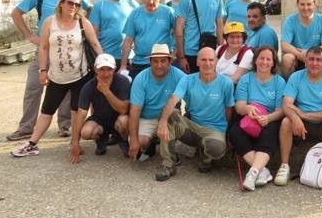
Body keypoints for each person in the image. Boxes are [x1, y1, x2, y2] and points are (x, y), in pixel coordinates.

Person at [6, 0, 91, 141]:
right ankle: (26, 127)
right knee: (33, 87)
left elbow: (90, 9)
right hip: (45, 47)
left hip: (68, 50)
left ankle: (65, 126)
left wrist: (82, 32)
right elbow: (16, 13)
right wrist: (29, 36)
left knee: (68, 88)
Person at [11, 0, 102, 157]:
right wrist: (42, 70)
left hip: (79, 76)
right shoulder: (49, 22)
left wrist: (102, 64)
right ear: (61, 3)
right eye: (70, 3)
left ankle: (74, 142)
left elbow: (95, 44)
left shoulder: (82, 22)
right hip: (56, 77)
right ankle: (32, 143)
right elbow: (44, 47)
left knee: (76, 111)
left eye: (76, 4)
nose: (73, 7)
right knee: (47, 111)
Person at [273, 47, 322, 187]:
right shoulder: (296, 77)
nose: (315, 63)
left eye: (319, 60)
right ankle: (284, 166)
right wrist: (296, 118)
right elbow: (286, 104)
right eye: (311, 59)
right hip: (300, 124)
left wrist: (304, 114)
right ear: (305, 61)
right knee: (286, 122)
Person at [157, 47, 234, 173]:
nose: (207, 64)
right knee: (168, 114)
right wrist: (162, 121)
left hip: (214, 130)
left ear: (216, 61)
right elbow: (173, 99)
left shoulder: (226, 83)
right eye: (203, 60)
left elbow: (228, 110)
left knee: (216, 148)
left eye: (211, 60)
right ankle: (168, 164)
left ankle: (205, 159)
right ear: (197, 62)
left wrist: (227, 134)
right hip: (192, 127)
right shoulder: (187, 79)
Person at [228, 46, 286, 191]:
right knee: (235, 132)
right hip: (250, 118)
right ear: (255, 60)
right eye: (261, 58)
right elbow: (239, 106)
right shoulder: (246, 79)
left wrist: (268, 118)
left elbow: (281, 110)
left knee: (269, 132)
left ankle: (252, 174)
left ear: (273, 63)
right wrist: (248, 109)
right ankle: (262, 170)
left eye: (268, 59)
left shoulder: (279, 82)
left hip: (269, 118)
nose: (264, 62)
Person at [127, 44, 187, 181]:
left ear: (170, 61)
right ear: (150, 62)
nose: (159, 65)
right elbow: (134, 112)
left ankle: (170, 156)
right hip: (147, 118)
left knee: (174, 113)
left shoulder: (179, 75)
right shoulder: (141, 78)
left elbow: (193, 92)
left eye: (163, 61)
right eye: (155, 61)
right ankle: (151, 145)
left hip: (167, 118)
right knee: (140, 142)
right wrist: (134, 141)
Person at [69, 53, 130, 163]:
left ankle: (122, 139)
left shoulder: (122, 82)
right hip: (100, 119)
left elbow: (124, 110)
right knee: (86, 132)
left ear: (115, 69)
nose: (106, 74)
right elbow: (81, 115)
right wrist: (75, 143)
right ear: (95, 70)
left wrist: (107, 92)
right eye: (102, 69)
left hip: (118, 118)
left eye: (109, 69)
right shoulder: (88, 87)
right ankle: (102, 139)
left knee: (124, 120)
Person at [119, 0, 176, 80]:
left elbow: (179, 34)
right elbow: (128, 40)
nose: (150, 2)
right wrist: (123, 66)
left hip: (162, 63)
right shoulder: (135, 14)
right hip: (140, 63)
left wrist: (173, 55)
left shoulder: (168, 12)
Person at [175, 0, 226, 74]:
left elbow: (220, 26)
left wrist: (221, 51)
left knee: (209, 84)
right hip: (191, 52)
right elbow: (178, 29)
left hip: (210, 51)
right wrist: (181, 57)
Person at [281, 0, 322, 79]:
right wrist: (299, 54)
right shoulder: (290, 20)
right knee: (287, 58)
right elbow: (284, 45)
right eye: (302, 4)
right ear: (297, 4)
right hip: (296, 55)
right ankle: (288, 87)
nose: (305, 8)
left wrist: (308, 53)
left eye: (309, 4)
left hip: (315, 55)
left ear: (314, 4)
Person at [89, 0, 139, 66]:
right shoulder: (100, 5)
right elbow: (93, 34)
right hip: (106, 56)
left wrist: (135, 41)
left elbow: (140, 28)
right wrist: (100, 56)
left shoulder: (133, 5)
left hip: (128, 56)